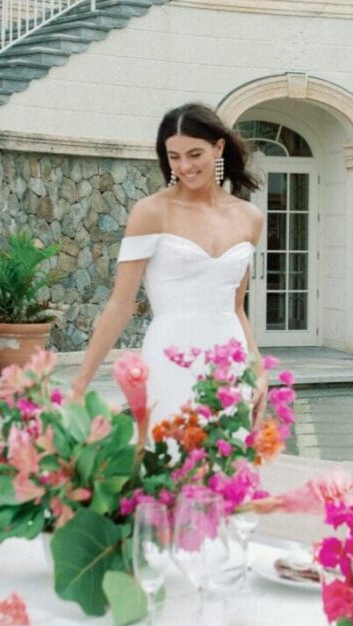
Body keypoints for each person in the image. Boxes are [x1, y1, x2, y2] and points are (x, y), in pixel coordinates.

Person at [67, 103, 267, 422]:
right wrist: (79, 386)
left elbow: (236, 307)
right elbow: (120, 305)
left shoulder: (250, 217)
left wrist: (258, 370)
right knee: (170, 458)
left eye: (194, 154)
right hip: (170, 358)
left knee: (226, 465)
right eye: (174, 157)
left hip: (230, 359)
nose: (185, 166)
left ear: (218, 147)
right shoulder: (151, 212)